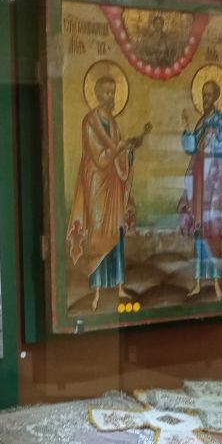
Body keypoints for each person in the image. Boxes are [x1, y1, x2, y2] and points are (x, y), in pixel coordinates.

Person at [66, 75, 151, 311]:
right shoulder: (90, 122)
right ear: (96, 94)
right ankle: (97, 290)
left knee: (116, 232)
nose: (110, 96)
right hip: (97, 184)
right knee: (98, 234)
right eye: (106, 92)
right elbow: (99, 157)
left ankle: (119, 285)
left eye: (112, 92)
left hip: (113, 184)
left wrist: (129, 148)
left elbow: (117, 153)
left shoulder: (112, 123)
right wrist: (120, 147)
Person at [179, 79, 222, 299]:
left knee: (212, 232)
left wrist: (212, 139)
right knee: (199, 230)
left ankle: (216, 283)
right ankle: (198, 282)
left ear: (216, 97)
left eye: (209, 95)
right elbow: (192, 147)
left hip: (213, 181)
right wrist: (186, 129)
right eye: (203, 95)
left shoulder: (220, 121)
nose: (205, 99)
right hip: (200, 179)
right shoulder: (202, 121)